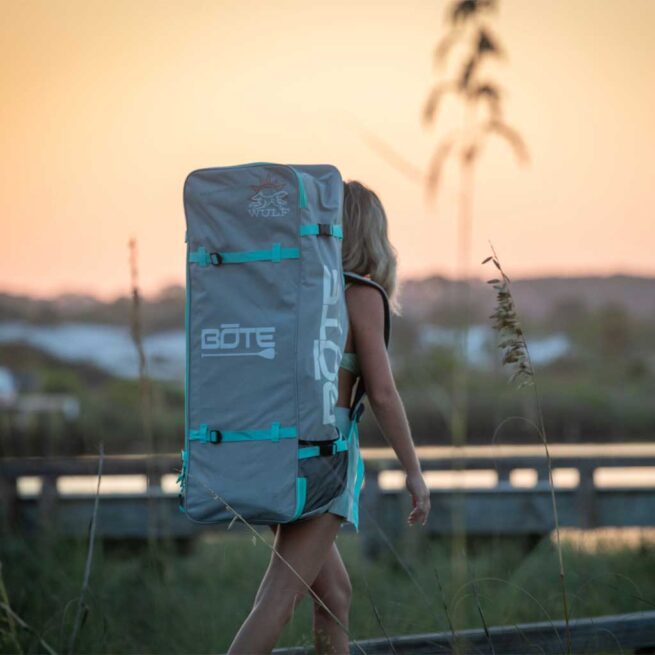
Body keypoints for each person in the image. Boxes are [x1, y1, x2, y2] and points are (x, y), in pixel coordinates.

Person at [227, 180, 431, 655]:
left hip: (273, 447)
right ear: (373, 235)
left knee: (333, 594)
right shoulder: (363, 295)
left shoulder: (294, 292)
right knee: (278, 597)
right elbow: (381, 392)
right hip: (324, 455)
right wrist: (414, 472)